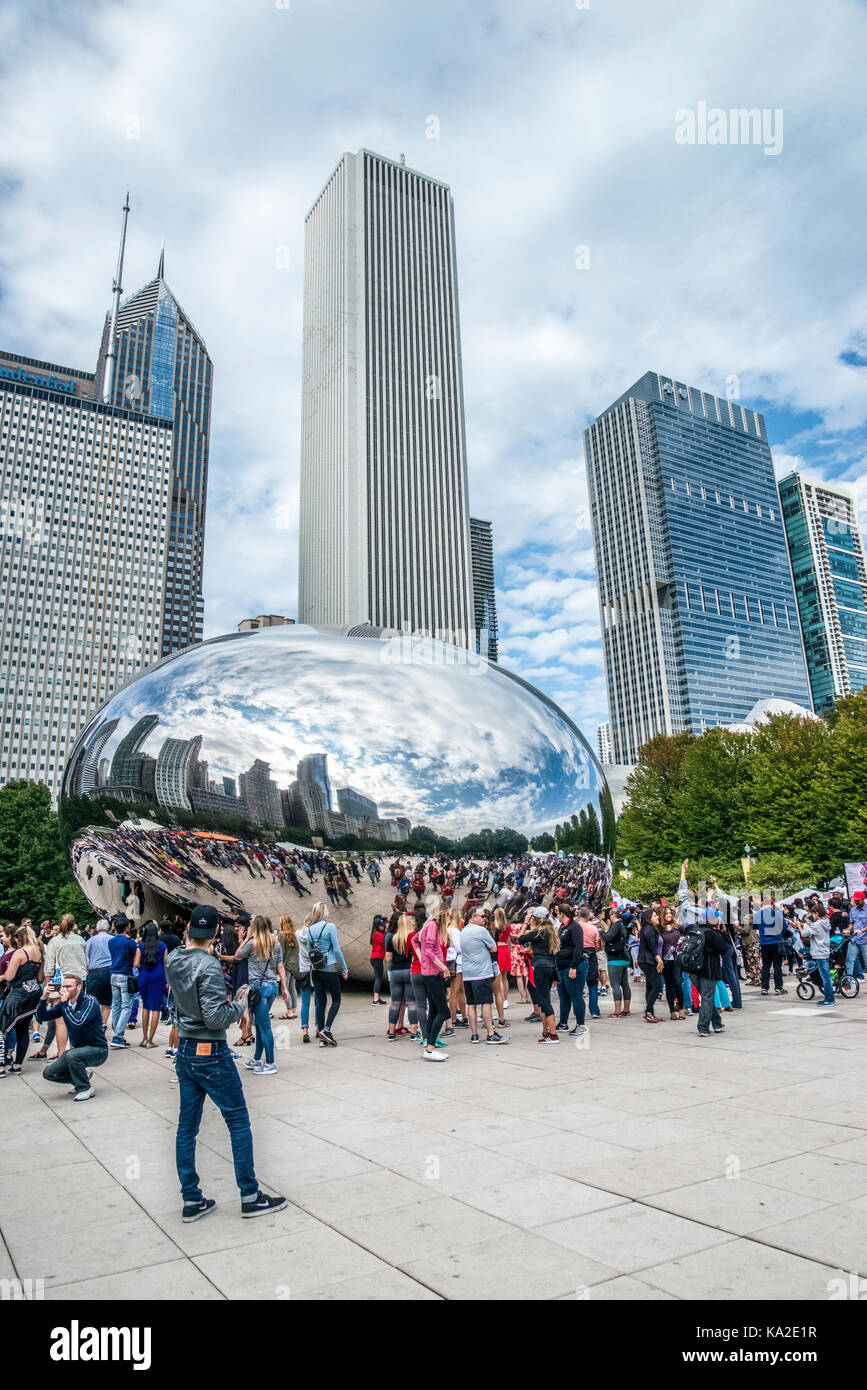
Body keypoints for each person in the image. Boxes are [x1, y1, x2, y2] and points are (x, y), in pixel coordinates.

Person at [165, 903, 287, 1222]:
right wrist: (240, 1003)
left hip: (186, 1051)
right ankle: (249, 1194)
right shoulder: (208, 966)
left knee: (186, 1127)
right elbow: (217, 1016)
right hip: (211, 1051)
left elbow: (173, 1004)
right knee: (237, 1120)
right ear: (217, 931)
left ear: (189, 929)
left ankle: (191, 1198)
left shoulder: (174, 959)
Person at [34, 973, 108, 1101]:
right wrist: (43, 998)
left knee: (71, 1055)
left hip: (98, 1050)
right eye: (63, 986)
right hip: (77, 1051)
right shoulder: (65, 1004)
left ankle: (85, 1088)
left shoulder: (90, 1001)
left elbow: (77, 1023)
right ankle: (81, 1078)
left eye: (69, 986)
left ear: (79, 987)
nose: (64, 989)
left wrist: (65, 1005)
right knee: (49, 1073)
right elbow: (42, 1017)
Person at [235, 915, 289, 1073]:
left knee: (264, 1026)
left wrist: (245, 938)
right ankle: (258, 1058)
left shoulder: (252, 943)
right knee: (259, 1024)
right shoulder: (275, 943)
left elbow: (237, 955)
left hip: (258, 988)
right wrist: (284, 988)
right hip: (272, 986)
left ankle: (270, 1063)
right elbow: (280, 967)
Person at [460, 906, 509, 1045]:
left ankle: (474, 1034)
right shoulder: (481, 931)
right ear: (472, 917)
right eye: (482, 916)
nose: (485, 919)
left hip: (468, 973)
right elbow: (493, 947)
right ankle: (490, 1033)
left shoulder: (463, 932)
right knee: (486, 1002)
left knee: (471, 1004)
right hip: (481, 972)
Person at [41, 915, 88, 1059]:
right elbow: (86, 963)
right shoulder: (80, 940)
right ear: (74, 925)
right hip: (79, 982)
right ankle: (74, 1052)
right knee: (76, 1018)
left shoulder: (55, 942)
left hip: (62, 983)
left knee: (60, 1021)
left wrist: (47, 987)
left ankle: (62, 1054)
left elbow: (49, 967)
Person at [0, 925, 44, 1074]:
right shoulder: (39, 952)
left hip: (17, 996)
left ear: (19, 938)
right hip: (33, 995)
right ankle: (18, 1065)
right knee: (23, 1030)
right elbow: (40, 978)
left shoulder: (20, 953)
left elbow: (9, 977)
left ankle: (1, 1066)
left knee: (3, 1030)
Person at [303, 902, 348, 1047]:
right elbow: (336, 949)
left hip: (315, 970)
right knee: (336, 999)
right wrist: (344, 968)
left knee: (320, 1002)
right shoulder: (330, 927)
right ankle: (327, 1029)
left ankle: (322, 1037)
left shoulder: (309, 930)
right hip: (329, 967)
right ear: (324, 912)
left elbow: (310, 953)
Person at [516, 909, 561, 1043]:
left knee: (545, 1001)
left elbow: (520, 938)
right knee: (543, 1000)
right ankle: (546, 1032)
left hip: (540, 967)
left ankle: (553, 1034)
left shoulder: (538, 931)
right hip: (550, 966)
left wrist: (525, 923)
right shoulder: (551, 930)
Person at [415, 907, 452, 1060]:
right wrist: (444, 968)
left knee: (435, 1011)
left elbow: (415, 940)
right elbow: (428, 951)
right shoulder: (433, 926)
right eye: (448, 915)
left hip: (430, 973)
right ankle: (430, 1049)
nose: (449, 919)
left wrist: (421, 958)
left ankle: (430, 1046)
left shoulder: (429, 926)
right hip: (433, 974)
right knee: (444, 1012)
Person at [693, 907, 731, 1036]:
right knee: (707, 997)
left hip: (692, 969)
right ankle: (703, 1027)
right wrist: (724, 933)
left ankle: (717, 1023)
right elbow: (724, 949)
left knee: (706, 996)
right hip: (707, 969)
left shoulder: (694, 929)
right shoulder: (712, 934)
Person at [384, 913, 419, 1041]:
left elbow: (388, 958)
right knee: (412, 1003)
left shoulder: (390, 937)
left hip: (395, 972)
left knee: (395, 1003)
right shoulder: (412, 937)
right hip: (409, 971)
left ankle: (392, 1033)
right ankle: (414, 1033)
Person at [554, 903, 587, 1035]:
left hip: (573, 966)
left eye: (557, 912)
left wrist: (573, 966)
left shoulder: (575, 927)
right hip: (562, 966)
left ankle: (581, 1024)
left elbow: (578, 948)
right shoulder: (562, 927)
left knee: (576, 995)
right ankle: (563, 1023)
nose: (556, 914)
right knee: (563, 996)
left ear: (562, 914)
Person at [133, 921, 168, 1048]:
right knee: (156, 1008)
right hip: (158, 975)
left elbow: (136, 964)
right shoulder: (163, 945)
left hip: (144, 976)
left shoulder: (141, 946)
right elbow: (166, 963)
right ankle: (151, 1041)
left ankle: (144, 1038)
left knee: (146, 1007)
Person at [108, 914, 137, 1049]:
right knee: (126, 1006)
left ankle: (117, 1032)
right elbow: (134, 955)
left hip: (114, 974)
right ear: (126, 927)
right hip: (125, 974)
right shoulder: (129, 942)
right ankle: (118, 1036)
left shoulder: (111, 941)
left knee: (116, 1005)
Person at [600, 908, 632, 1018]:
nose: (609, 916)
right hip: (624, 957)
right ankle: (626, 1009)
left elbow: (608, 938)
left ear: (613, 915)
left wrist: (601, 932)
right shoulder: (622, 925)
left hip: (615, 958)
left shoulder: (616, 925)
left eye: (610, 914)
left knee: (615, 984)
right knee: (625, 984)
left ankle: (617, 1011)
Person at [752, 899, 788, 996]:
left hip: (764, 943)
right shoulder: (777, 914)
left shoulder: (758, 914)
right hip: (776, 942)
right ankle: (778, 988)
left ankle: (764, 988)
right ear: (772, 905)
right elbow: (785, 927)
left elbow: (754, 926)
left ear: (763, 905)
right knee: (777, 966)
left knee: (766, 966)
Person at [802, 904, 835, 1007]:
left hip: (819, 953)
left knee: (825, 977)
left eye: (813, 913)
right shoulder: (825, 922)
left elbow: (805, 934)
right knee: (826, 976)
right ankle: (829, 998)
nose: (812, 915)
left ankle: (829, 999)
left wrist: (803, 926)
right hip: (824, 951)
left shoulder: (817, 924)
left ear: (817, 913)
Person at [84, 918, 113, 1029]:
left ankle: (93, 1024)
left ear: (96, 928)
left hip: (95, 972)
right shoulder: (112, 939)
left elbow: (86, 957)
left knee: (92, 1000)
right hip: (109, 971)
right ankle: (103, 1024)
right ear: (108, 928)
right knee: (106, 1001)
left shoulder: (91, 940)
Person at [638, 907, 665, 1022]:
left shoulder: (650, 928)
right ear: (649, 918)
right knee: (658, 986)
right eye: (655, 916)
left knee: (650, 987)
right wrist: (659, 959)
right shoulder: (649, 928)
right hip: (647, 961)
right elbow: (651, 946)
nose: (657, 917)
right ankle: (648, 1011)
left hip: (647, 960)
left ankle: (650, 1013)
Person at [659, 907, 684, 1020]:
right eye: (666, 914)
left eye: (670, 913)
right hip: (665, 961)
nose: (669, 915)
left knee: (678, 983)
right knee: (669, 985)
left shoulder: (677, 927)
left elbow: (688, 934)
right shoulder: (659, 929)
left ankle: (681, 1009)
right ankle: (672, 1011)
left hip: (677, 960)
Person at [277, 915, 299, 1019]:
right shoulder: (294, 934)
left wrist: (279, 967)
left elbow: (281, 953)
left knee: (284, 988)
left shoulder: (282, 935)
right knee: (292, 988)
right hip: (295, 965)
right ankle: (294, 1010)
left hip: (286, 965)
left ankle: (289, 1011)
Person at [369, 915, 387, 1006]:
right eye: (382, 925)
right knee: (378, 979)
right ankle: (375, 1000)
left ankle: (377, 998)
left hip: (375, 958)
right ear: (377, 926)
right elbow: (386, 941)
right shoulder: (378, 935)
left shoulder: (375, 933)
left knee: (378, 978)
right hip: (377, 959)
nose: (383, 926)